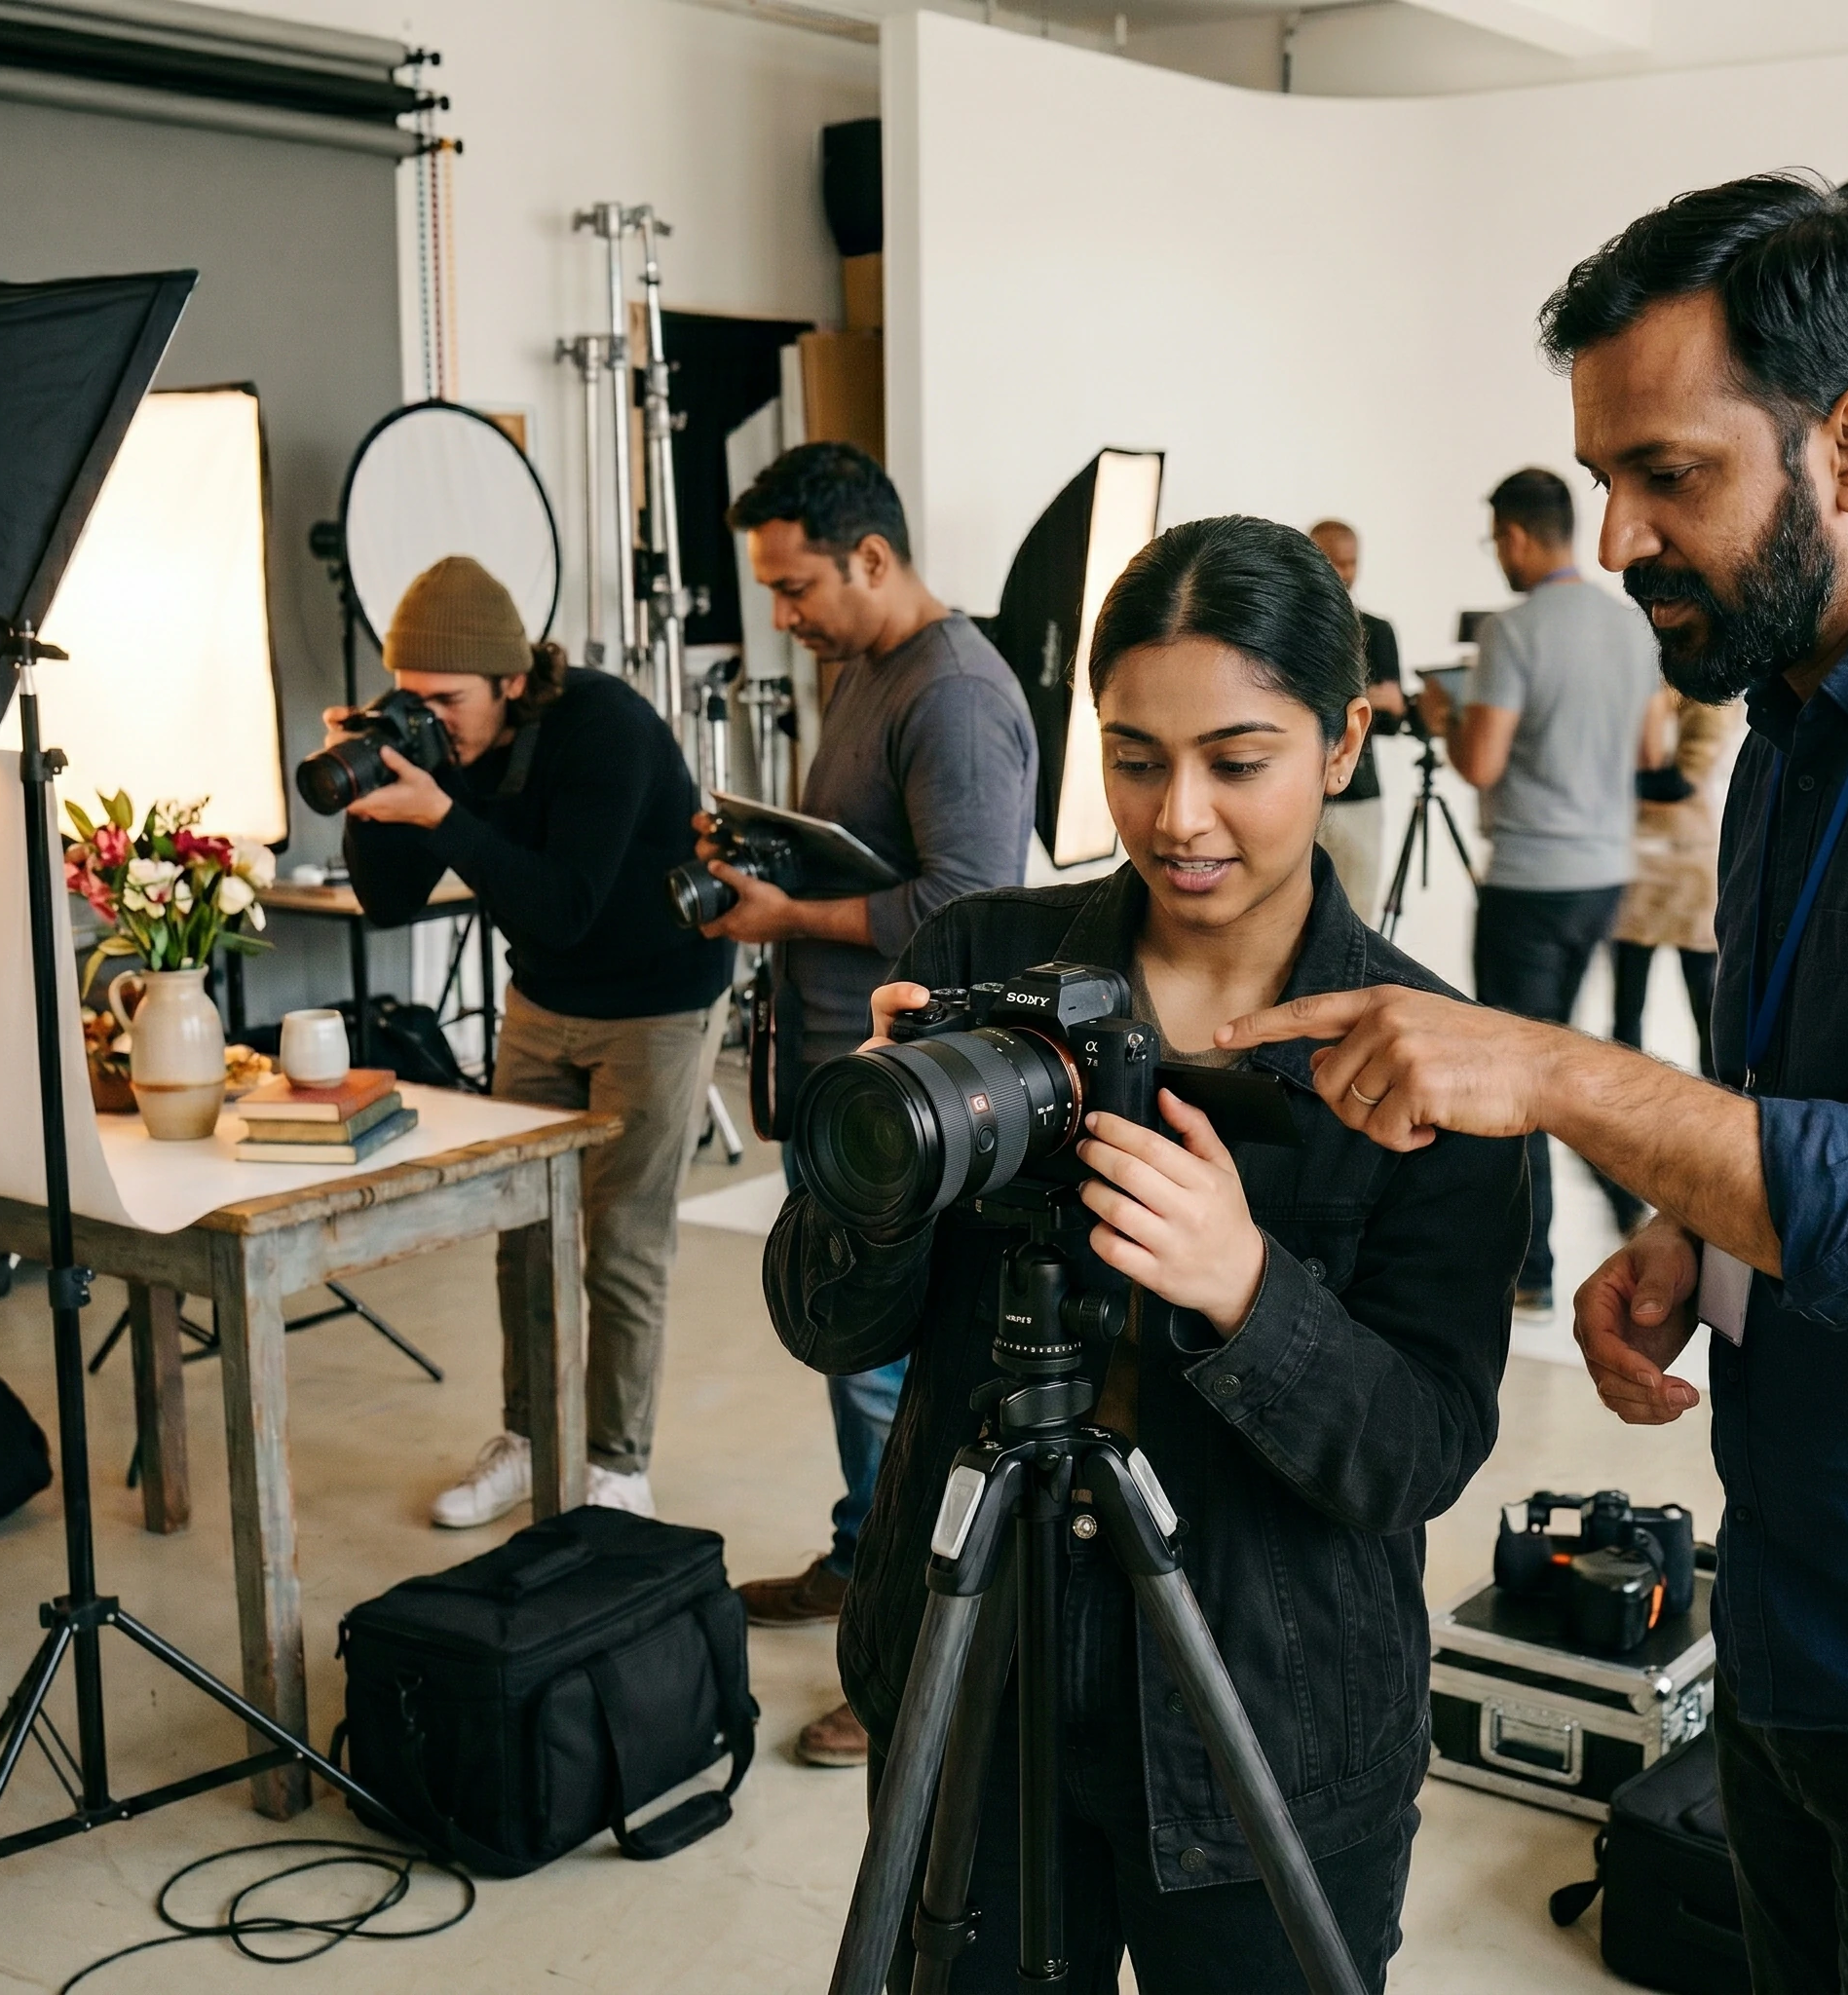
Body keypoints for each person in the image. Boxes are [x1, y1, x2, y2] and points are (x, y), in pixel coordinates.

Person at [1221, 174, 1848, 1995]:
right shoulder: (1786, 718)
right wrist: (1686, 1229)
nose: (1618, 534)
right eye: (1601, 477)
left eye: (1669, 475)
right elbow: (1819, 1096)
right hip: (1787, 1609)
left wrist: (1561, 1074)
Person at [765, 516, 1527, 1993]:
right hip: (970, 1678)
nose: (1178, 816)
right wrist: (875, 1179)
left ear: (1342, 742)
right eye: (1132, 757)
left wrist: (1248, 1290)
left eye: (1237, 761)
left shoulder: (1431, 1063)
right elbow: (824, 1326)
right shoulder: (983, 957)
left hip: (1271, 1721)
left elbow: (1418, 1452)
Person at [704, 442, 1038, 1769]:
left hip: (913, 1105)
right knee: (856, 1359)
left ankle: (909, 1654)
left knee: (896, 1381)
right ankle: (862, 1559)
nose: (783, 615)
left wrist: (785, 916)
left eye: (795, 587)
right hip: (851, 1087)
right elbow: (874, 855)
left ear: (875, 557)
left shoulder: (952, 694)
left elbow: (966, 902)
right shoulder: (863, 669)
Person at [337, 555, 730, 1526]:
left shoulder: (604, 726)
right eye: (412, 697)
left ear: (511, 679)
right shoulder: (437, 744)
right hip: (544, 998)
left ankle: (615, 1468)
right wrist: (371, 798)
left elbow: (565, 904)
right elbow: (387, 901)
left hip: (655, 999)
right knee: (522, 1236)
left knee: (620, 1241)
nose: (430, 718)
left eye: (449, 699)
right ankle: (528, 1437)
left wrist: (440, 811)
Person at [1416, 467, 1662, 1306]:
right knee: (1565, 1044)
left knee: (1517, 1069)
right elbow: (1651, 752)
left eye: (1497, 541)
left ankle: (1536, 1270)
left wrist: (1446, 718)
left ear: (1517, 535)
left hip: (1530, 879)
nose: (1499, 556)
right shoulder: (1631, 626)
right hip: (1604, 875)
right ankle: (1627, 1203)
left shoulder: (1512, 633)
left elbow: (1481, 763)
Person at [1609, 690, 1744, 1076]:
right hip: (1640, 861)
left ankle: (1717, 1096)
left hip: (1688, 864)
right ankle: (1621, 1095)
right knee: (1628, 1005)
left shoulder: (1712, 701)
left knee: (1707, 1005)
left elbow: (1684, 780)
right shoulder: (1659, 691)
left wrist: (1603, 781)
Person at [1308, 518, 1405, 922]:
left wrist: (1391, 705)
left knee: (1358, 913)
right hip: (1302, 790)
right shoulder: (1291, 630)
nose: (1344, 573)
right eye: (1334, 561)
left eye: (1351, 563)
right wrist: (1367, 697)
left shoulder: (1377, 631)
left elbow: (1393, 718)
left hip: (1359, 791)